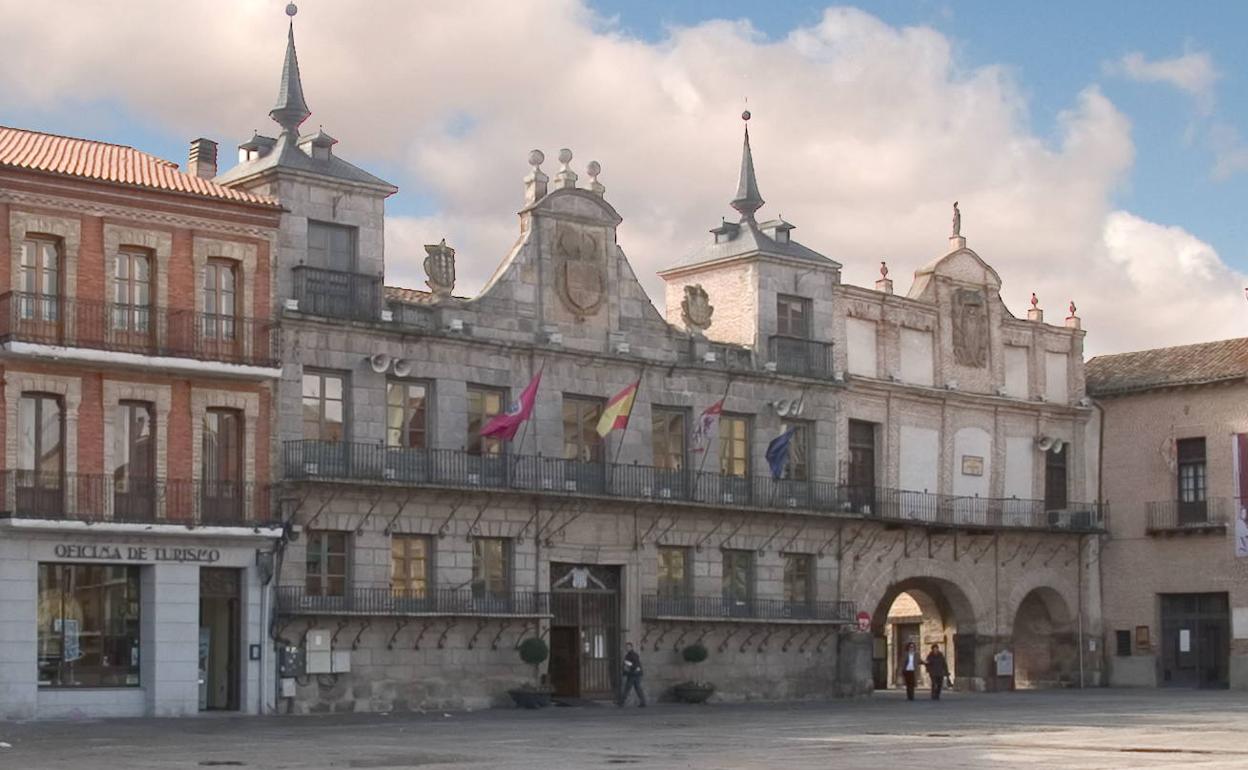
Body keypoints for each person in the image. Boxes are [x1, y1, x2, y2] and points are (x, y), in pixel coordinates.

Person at [618, 641, 646, 707]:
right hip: (634, 674)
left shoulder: (633, 655)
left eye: (628, 647)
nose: (627, 648)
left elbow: (635, 665)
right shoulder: (628, 655)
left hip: (634, 674)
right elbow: (626, 664)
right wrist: (625, 670)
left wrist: (628, 666)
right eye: (626, 647)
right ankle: (643, 702)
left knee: (627, 688)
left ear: (631, 647)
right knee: (637, 688)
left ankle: (621, 702)